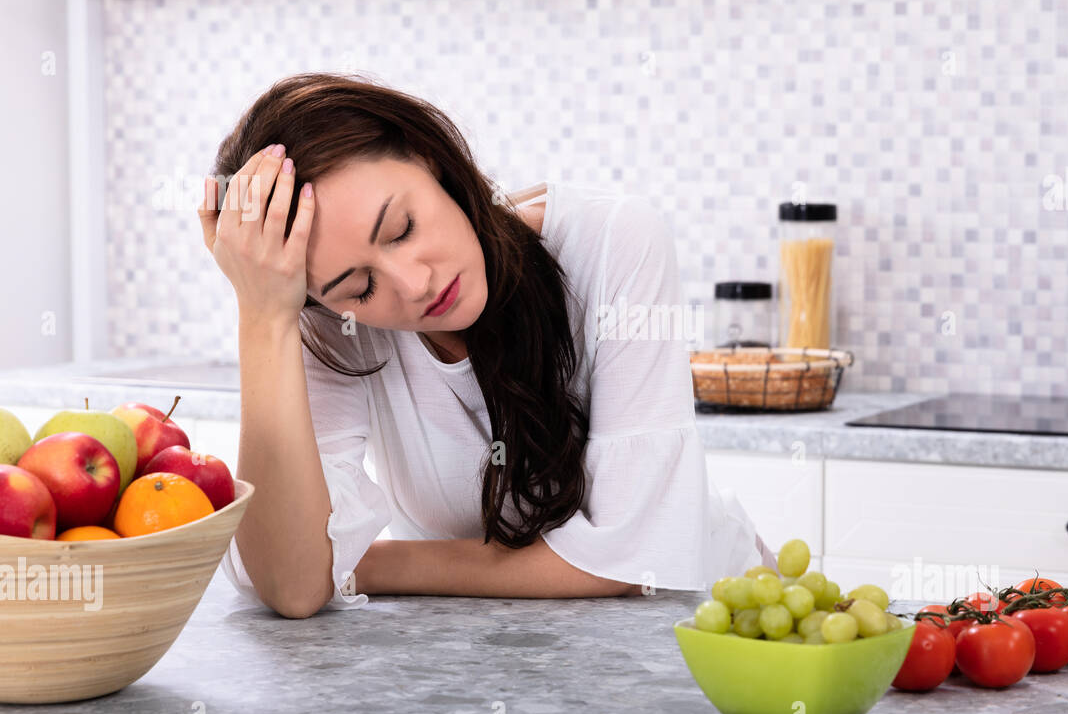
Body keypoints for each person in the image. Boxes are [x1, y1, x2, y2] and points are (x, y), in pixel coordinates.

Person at [197, 72, 772, 618]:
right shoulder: (334, 324)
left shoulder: (615, 241)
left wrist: (366, 566)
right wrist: (264, 315)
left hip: (708, 623)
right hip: (497, 647)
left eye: (402, 229)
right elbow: (294, 586)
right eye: (360, 285)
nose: (415, 284)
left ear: (428, 158)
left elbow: (629, 559)